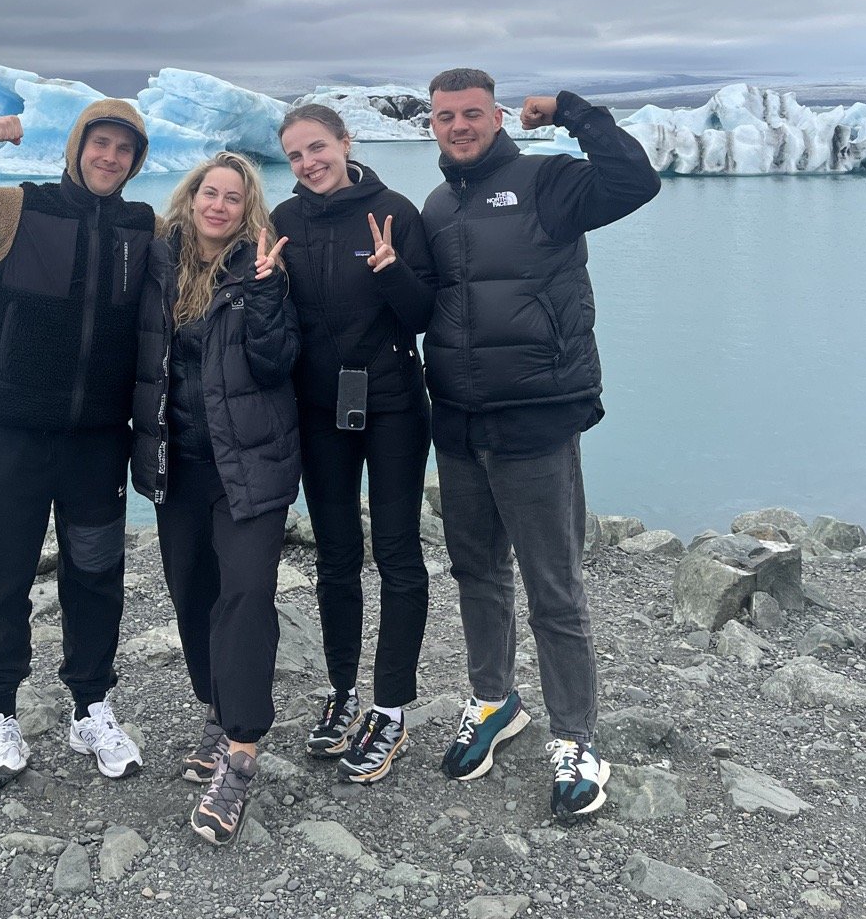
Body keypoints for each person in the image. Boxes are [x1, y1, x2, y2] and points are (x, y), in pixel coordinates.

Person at [422, 70, 660, 820]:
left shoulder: (546, 180)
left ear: (495, 116)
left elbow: (635, 180)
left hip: (535, 416)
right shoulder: (434, 205)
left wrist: (572, 112)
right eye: (443, 116)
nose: (458, 126)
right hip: (458, 421)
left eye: (470, 113)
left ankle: (577, 738)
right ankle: (494, 700)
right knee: (475, 572)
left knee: (553, 589)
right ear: (430, 124)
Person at [0, 100, 154, 792]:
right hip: (17, 434)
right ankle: (0, 714)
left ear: (137, 161)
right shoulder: (19, 211)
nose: (110, 158)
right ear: (77, 148)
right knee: (4, 575)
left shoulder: (143, 227)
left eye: (124, 150)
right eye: (99, 144)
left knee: (96, 576)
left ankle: (90, 707)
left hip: (99, 443)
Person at [131, 153, 299, 846]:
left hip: (249, 470)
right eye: (210, 192)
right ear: (191, 195)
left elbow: (277, 362)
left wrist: (263, 297)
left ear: (247, 207)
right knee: (191, 593)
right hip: (179, 465)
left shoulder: (264, 271)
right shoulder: (157, 263)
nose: (219, 205)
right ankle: (215, 707)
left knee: (247, 598)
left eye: (234, 197)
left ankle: (240, 753)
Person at [272, 104, 434, 783]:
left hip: (394, 403)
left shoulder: (394, 209)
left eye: (318, 147)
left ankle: (390, 709)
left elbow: (425, 314)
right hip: (318, 408)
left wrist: (392, 269)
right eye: (295, 155)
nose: (309, 163)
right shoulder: (282, 222)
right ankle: (341, 693)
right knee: (336, 556)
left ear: (345, 142)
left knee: (396, 553)